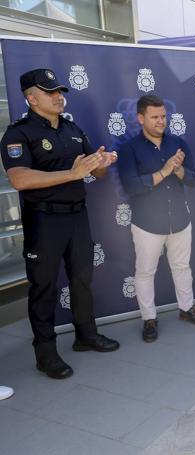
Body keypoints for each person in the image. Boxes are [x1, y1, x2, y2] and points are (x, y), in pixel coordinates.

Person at [0, 68, 120, 380]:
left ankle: (86, 335)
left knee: (81, 279)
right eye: (50, 92)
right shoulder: (18, 133)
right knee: (44, 287)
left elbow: (95, 171)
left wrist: (101, 164)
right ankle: (46, 353)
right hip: (44, 221)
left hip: (77, 216)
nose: (58, 97)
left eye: (59, 91)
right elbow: (20, 178)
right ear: (31, 98)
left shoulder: (72, 129)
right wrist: (72, 174)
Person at [118, 95, 195, 342]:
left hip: (180, 218)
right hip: (147, 223)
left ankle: (187, 309)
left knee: (182, 267)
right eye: (155, 117)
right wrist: (164, 171)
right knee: (145, 271)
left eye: (163, 116)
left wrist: (178, 170)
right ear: (140, 118)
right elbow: (131, 187)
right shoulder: (128, 149)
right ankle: (149, 319)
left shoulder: (178, 143)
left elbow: (194, 179)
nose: (161, 121)